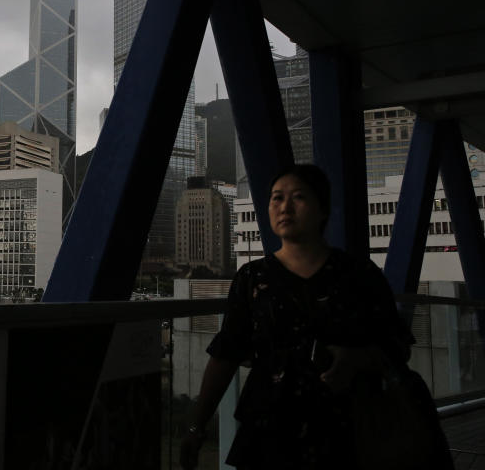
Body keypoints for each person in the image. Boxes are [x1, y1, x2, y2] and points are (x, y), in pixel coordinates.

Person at [179, 164, 447, 469]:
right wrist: (196, 426)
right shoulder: (252, 278)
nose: (285, 207)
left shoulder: (359, 274)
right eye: (276, 198)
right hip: (270, 428)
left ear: (322, 210)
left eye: (298, 197)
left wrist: (357, 358)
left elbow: (397, 345)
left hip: (349, 426)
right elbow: (226, 354)